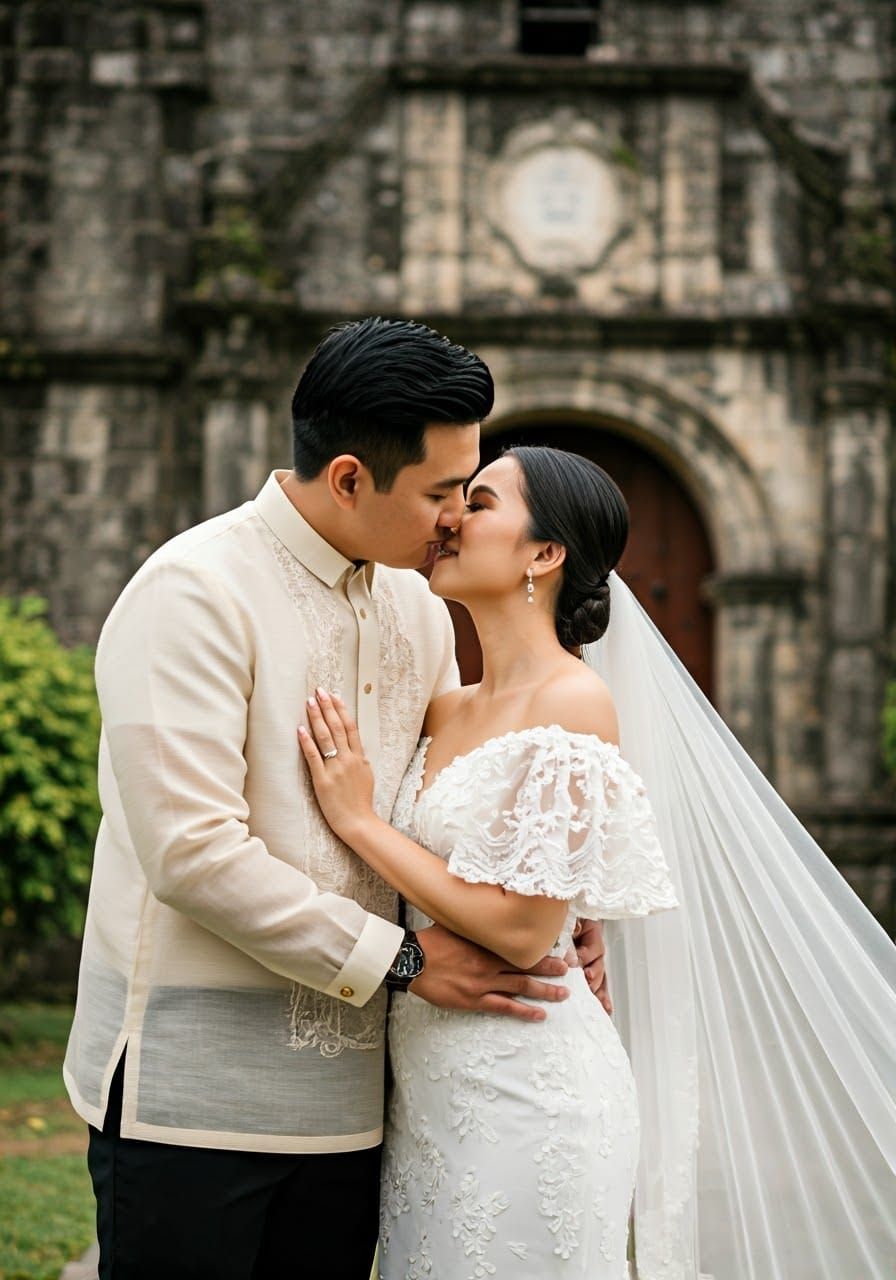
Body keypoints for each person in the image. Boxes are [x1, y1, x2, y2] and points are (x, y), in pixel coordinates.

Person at [62, 320, 607, 1280]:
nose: (454, 517)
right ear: (351, 478)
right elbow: (192, 854)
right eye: (442, 492)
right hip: (196, 1104)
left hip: (365, 1111)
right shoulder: (194, 592)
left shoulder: (417, 608)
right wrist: (404, 959)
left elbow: (454, 794)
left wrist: (552, 899)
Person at [301, 444, 896, 1278]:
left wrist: (363, 823)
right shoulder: (443, 706)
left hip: (530, 1089)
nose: (451, 519)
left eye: (480, 502)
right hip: (429, 1094)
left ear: (544, 554)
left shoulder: (574, 700)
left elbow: (520, 928)